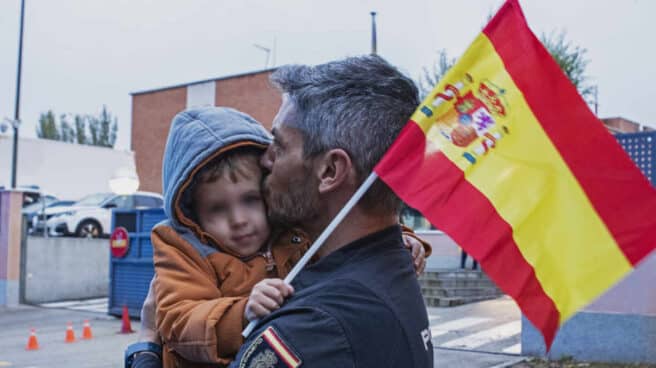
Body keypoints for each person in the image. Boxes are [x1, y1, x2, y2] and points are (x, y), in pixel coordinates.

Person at [124, 107, 430, 368]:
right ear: (191, 214)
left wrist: (399, 236)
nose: (239, 220)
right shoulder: (183, 247)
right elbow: (179, 320)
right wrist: (241, 312)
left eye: (250, 200)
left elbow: (343, 225)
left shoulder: (288, 224)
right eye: (217, 209)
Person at [229, 55, 434, 367]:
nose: (266, 161)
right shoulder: (394, 267)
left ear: (330, 171)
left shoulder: (312, 329)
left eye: (280, 146)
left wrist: (147, 346)